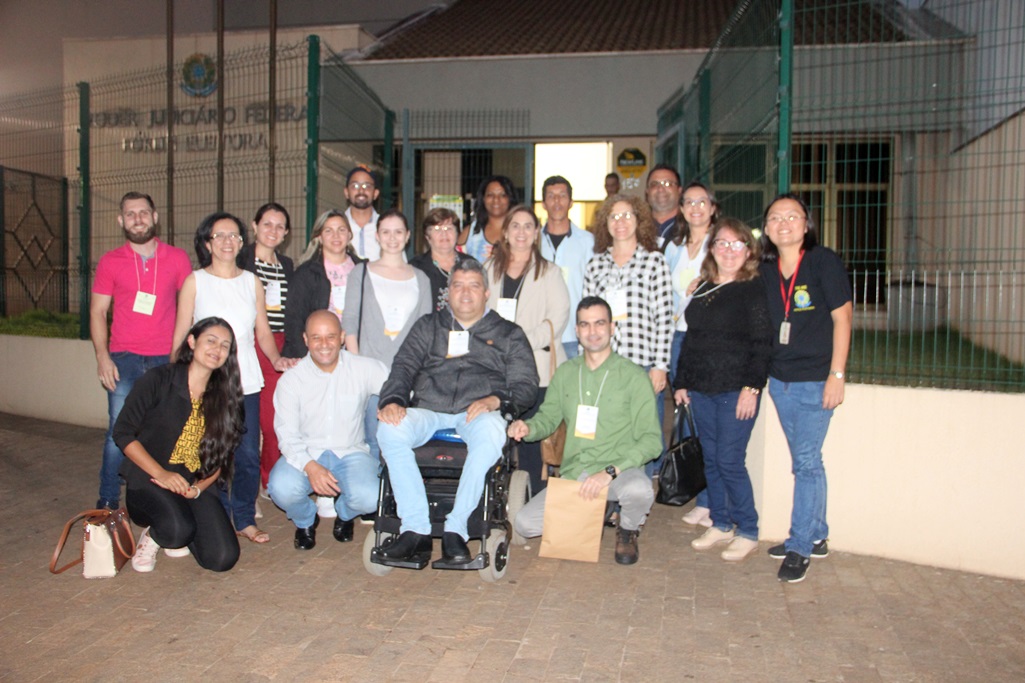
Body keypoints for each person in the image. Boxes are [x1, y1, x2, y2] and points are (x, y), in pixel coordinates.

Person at [375, 259, 538, 565]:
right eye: (458, 285)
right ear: (447, 292)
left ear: (486, 292)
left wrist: (497, 399)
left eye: (473, 286)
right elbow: (403, 366)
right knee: (389, 428)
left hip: (477, 413)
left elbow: (526, 383)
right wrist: (394, 399)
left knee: (492, 432)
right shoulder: (428, 326)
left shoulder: (508, 333)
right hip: (429, 408)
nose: (465, 293)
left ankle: (456, 529)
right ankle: (415, 529)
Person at [172, 212, 296, 545]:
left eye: (235, 236)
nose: (228, 242)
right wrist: (174, 376)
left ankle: (242, 518)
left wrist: (275, 358)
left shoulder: (251, 281)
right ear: (207, 242)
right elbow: (183, 332)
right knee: (208, 453)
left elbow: (263, 332)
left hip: (247, 381)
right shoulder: (195, 281)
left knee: (246, 455)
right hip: (206, 383)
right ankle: (208, 516)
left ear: (242, 242)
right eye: (220, 235)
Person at [508, 296, 661, 565]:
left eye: (600, 324)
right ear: (577, 331)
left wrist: (610, 472)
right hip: (576, 473)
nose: (593, 331)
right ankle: (593, 509)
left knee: (640, 490)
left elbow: (651, 441)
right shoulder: (566, 373)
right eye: (585, 325)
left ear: (612, 328)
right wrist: (527, 427)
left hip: (617, 473)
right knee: (523, 524)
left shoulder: (633, 376)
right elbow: (548, 418)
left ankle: (627, 529)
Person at [759, 193, 853, 583]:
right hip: (779, 381)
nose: (784, 223)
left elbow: (843, 318)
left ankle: (799, 546)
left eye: (792, 217)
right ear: (766, 229)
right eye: (775, 218)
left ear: (806, 224)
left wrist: (837, 374)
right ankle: (816, 535)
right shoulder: (765, 270)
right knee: (808, 461)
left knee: (807, 463)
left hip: (815, 381)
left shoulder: (822, 262)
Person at [673, 218, 773, 562]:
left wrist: (752, 387)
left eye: (737, 244)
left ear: (749, 250)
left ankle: (748, 529)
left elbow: (763, 343)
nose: (729, 250)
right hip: (702, 389)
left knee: (730, 461)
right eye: (722, 244)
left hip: (736, 389)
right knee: (712, 460)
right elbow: (691, 340)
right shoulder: (703, 288)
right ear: (711, 250)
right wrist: (682, 382)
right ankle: (720, 521)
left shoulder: (754, 288)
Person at [113, 317, 244, 573]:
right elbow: (123, 433)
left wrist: (198, 489)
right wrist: (162, 473)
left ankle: (181, 520)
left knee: (222, 558)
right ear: (192, 341)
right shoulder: (159, 379)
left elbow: (224, 456)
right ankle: (156, 535)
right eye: (211, 341)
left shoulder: (227, 396)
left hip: (193, 484)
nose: (217, 350)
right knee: (177, 531)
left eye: (225, 346)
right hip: (150, 478)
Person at [90, 191, 192, 510]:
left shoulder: (177, 259)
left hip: (167, 359)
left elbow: (188, 311)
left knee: (169, 432)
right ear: (121, 220)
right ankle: (107, 500)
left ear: (155, 216)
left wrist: (179, 356)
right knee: (118, 433)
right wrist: (102, 357)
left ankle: (164, 497)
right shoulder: (110, 262)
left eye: (143, 212)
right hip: (124, 360)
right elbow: (97, 312)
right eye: (131, 214)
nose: (138, 219)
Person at [268, 311, 388, 550]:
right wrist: (311, 467)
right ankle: (305, 520)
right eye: (316, 338)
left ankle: (344, 515)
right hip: (307, 452)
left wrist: (393, 405)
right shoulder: (292, 380)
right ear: (305, 339)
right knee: (281, 489)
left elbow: (399, 386)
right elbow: (287, 436)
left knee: (371, 496)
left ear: (342, 337)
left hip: (351, 452)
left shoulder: (363, 367)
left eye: (331, 336)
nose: (324, 345)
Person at [582, 194, 673, 476]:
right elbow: (586, 318)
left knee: (641, 436)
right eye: (613, 216)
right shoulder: (595, 265)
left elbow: (664, 317)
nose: (620, 222)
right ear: (605, 223)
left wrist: (660, 366)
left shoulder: (654, 262)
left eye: (627, 215)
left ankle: (636, 501)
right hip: (604, 366)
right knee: (606, 433)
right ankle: (607, 500)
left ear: (639, 220)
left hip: (641, 365)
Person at [485, 204, 570, 494]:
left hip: (536, 368)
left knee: (532, 440)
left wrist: (517, 344)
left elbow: (556, 320)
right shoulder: (487, 270)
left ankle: (531, 502)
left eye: (528, 226)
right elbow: (478, 314)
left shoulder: (550, 272)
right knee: (494, 436)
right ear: (505, 232)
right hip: (494, 367)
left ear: (536, 234)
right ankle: (494, 500)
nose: (521, 232)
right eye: (515, 226)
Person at [663, 181, 718, 527]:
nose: (695, 208)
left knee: (706, 421)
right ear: (681, 209)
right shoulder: (674, 246)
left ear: (712, 207)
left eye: (702, 202)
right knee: (686, 417)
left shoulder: (721, 243)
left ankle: (711, 500)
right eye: (689, 202)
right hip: (676, 339)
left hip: (706, 341)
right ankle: (700, 490)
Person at [237, 202, 295, 490]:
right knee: (243, 420)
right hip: (247, 344)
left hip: (278, 345)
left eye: (279, 226)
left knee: (273, 420)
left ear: (286, 233)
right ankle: (240, 484)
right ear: (255, 225)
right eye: (267, 224)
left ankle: (269, 479)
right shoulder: (240, 260)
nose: (273, 230)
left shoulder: (287, 266)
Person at [343, 209, 432, 369]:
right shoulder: (360, 273)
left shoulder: (422, 279)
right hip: (366, 369)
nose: (392, 238)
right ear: (377, 236)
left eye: (398, 232)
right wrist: (356, 363)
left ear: (407, 235)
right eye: (385, 232)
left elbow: (425, 329)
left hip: (407, 371)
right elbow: (350, 320)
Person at [283, 210, 364, 359]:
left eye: (341, 230)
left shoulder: (364, 270)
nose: (336, 236)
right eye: (328, 231)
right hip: (319, 353)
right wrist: (307, 359)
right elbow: (294, 321)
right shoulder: (306, 273)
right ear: (319, 237)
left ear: (349, 235)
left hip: (356, 351)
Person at [539, 176, 594, 360]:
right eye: (551, 196)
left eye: (562, 196)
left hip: (575, 335)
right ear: (543, 203)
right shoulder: (533, 242)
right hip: (539, 333)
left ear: (571, 202)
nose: (557, 201)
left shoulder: (587, 242)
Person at [410, 207, 477, 312]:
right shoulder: (416, 267)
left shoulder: (471, 264)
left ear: (457, 233)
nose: (444, 234)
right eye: (437, 229)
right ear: (427, 237)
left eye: (449, 228)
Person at [458, 175, 517, 262]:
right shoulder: (470, 234)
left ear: (510, 199)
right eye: (490, 195)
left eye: (503, 195)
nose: (496, 199)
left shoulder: (520, 233)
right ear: (483, 199)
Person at [344, 165, 381, 261]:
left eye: (367, 186)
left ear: (375, 193)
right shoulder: (337, 227)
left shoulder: (386, 227)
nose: (361, 190)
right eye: (355, 186)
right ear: (346, 192)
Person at [645, 164, 684, 244]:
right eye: (654, 184)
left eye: (668, 184)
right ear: (647, 191)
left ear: (679, 190)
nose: (660, 189)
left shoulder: (690, 226)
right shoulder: (636, 228)